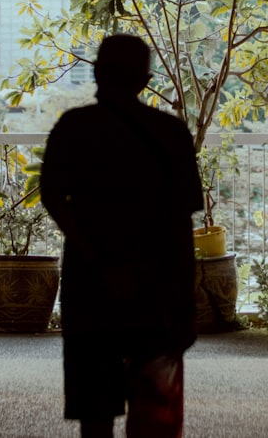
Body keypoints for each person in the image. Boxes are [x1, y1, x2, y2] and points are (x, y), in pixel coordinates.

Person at [40, 34, 204, 438]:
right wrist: (187, 297)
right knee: (155, 412)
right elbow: (183, 224)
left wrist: (94, 254)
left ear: (96, 73)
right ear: (146, 80)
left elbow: (51, 196)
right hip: (157, 287)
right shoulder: (170, 133)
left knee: (95, 410)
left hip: (91, 284)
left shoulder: (74, 127)